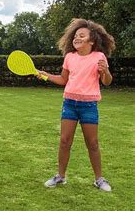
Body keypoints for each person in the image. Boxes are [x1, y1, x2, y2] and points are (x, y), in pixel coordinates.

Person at [37, 18, 115, 192]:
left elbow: (107, 81)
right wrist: (45, 75)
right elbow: (63, 79)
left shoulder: (99, 57)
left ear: (92, 40)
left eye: (82, 35)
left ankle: (99, 179)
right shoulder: (70, 57)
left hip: (89, 106)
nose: (77, 38)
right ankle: (61, 176)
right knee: (64, 141)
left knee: (93, 143)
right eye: (75, 36)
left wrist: (106, 71)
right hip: (70, 104)